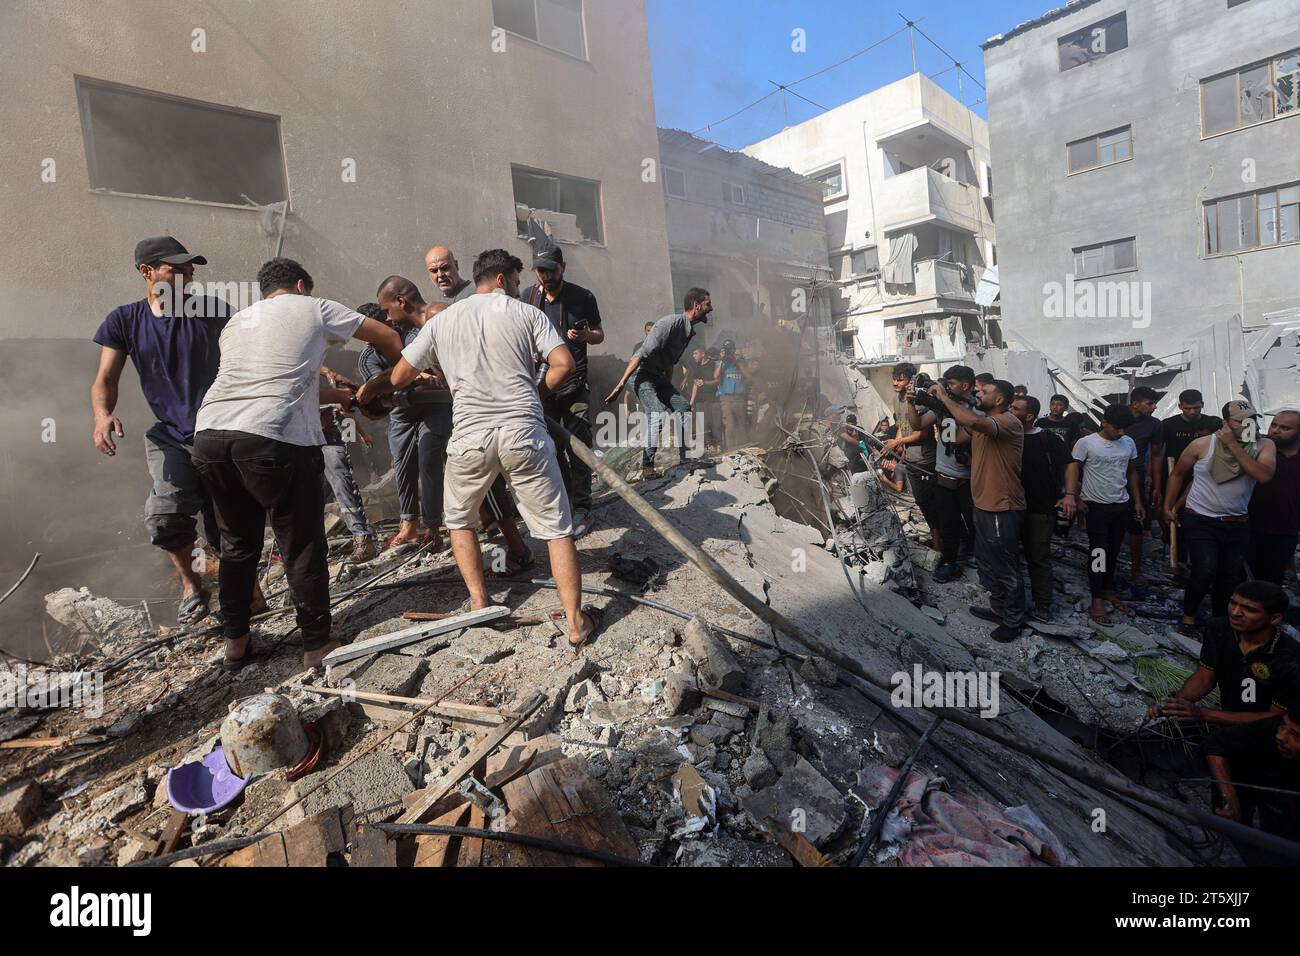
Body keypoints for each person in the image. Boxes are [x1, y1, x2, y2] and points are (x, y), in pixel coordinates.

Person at [357, 249, 602, 650]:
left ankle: (479, 602)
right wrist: (535, 396)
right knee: (557, 531)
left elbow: (401, 374)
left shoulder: (444, 319)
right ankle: (576, 624)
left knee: (460, 522)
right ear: (504, 279)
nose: (522, 288)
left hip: (470, 437)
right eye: (519, 281)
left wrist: (371, 389)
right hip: (524, 432)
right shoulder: (528, 314)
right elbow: (563, 366)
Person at [193, 257, 403, 669]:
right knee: (301, 542)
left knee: (236, 545)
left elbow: (276, 381)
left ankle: (235, 642)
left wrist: (342, 397)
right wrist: (390, 378)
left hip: (211, 434)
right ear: (302, 285)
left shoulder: (238, 322)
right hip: (273, 440)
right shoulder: (315, 307)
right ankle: (316, 644)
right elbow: (387, 335)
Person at [91, 236, 249, 625]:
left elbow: (249, 360)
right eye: (176, 268)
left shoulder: (213, 312)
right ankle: (192, 584)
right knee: (164, 517)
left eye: (190, 267)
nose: (188, 273)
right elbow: (105, 379)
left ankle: (249, 595)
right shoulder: (124, 320)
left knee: (226, 525)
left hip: (219, 428)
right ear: (147, 272)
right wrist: (101, 416)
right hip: (170, 435)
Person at [928, 377, 1027, 642]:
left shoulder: (1006, 421)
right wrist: (938, 411)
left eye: (984, 391)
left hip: (1002, 506)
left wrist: (945, 398)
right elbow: (955, 438)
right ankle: (998, 607)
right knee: (987, 561)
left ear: (999, 400)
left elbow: (972, 422)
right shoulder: (983, 425)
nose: (977, 392)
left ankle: (1014, 620)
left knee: (1005, 564)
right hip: (983, 504)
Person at [1165, 400, 1277, 633]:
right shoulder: (1203, 444)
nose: (1247, 424)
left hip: (1237, 521)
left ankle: (1219, 620)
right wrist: (1169, 506)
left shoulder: (1263, 445)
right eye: (1240, 420)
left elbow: (1263, 475)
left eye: (1251, 419)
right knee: (1204, 571)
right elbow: (1178, 474)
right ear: (1225, 423)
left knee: (1230, 575)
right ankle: (1188, 616)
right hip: (1200, 518)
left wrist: (1234, 445)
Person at [521, 242, 603, 528]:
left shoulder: (583, 296)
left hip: (574, 383)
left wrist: (584, 337)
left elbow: (599, 335)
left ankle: (583, 505)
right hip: (542, 388)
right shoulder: (527, 298)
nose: (546, 276)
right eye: (540, 271)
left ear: (563, 268)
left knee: (579, 446)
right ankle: (566, 501)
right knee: (550, 448)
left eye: (551, 270)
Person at [366, 279, 452, 552]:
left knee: (429, 456)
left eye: (387, 311)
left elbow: (404, 374)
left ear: (401, 302)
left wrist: (370, 390)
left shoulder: (430, 322)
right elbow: (397, 379)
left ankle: (434, 525)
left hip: (440, 405)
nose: (387, 318)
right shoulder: (370, 355)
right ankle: (410, 524)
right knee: (403, 462)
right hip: (403, 412)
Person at [1150, 581, 1299, 725]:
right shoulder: (1219, 629)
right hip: (1226, 719)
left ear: (1274, 618)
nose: (1235, 613)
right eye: (1233, 603)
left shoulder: (1290, 658)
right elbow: (1204, 678)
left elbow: (1276, 718)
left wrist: (1203, 714)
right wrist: (1176, 705)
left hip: (1270, 735)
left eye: (1249, 609)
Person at [604, 289, 712, 480]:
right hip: (641, 375)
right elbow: (639, 355)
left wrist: (667, 391)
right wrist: (620, 385)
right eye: (707, 305)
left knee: (683, 407)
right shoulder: (668, 324)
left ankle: (685, 456)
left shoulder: (688, 332)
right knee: (657, 415)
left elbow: (670, 362)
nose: (710, 308)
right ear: (697, 306)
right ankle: (647, 466)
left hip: (658, 376)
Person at [1201, 663, 1300, 863]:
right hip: (1247, 774)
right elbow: (1216, 743)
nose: (1281, 736)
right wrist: (1229, 795)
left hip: (1284, 794)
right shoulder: (1271, 729)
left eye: (1296, 736)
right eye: (1283, 726)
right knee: (1235, 829)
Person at [1062, 404, 1142, 625]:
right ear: (1105, 422)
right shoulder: (1086, 443)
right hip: (1095, 506)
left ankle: (1107, 588)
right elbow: (1072, 468)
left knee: (1114, 550)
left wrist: (1137, 501)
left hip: (1121, 504)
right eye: (1117, 428)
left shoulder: (1128, 442)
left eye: (1125, 428)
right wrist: (1073, 496)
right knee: (1099, 551)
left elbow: (1132, 471)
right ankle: (1096, 598)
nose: (1121, 433)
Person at [907, 365, 977, 582]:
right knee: (948, 523)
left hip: (970, 480)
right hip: (944, 476)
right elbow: (917, 423)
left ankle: (979, 558)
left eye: (951, 384)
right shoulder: (941, 408)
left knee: (975, 523)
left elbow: (959, 437)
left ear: (965, 386)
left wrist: (944, 401)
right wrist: (911, 402)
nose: (946, 387)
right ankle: (949, 561)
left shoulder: (976, 411)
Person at [1013, 395, 1066, 622]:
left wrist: (1070, 495)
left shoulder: (1048, 439)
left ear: (1029, 416)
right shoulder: (1007, 437)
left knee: (1038, 557)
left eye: (1015, 408)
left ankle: (1043, 604)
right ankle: (1011, 603)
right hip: (1011, 507)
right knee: (1010, 557)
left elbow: (1070, 464)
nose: (1009, 410)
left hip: (1041, 509)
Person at [319, 362, 378, 562]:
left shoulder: (327, 379)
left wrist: (361, 435)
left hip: (330, 438)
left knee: (342, 483)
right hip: (300, 440)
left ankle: (362, 538)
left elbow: (346, 413)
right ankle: (315, 550)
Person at [885, 363, 940, 552]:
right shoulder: (896, 399)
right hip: (911, 459)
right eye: (894, 378)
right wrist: (898, 442)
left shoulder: (918, 400)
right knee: (921, 502)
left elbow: (923, 433)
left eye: (900, 379)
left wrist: (897, 442)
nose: (895, 382)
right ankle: (936, 542)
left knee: (931, 504)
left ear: (910, 380)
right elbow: (901, 424)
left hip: (926, 460)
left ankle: (939, 546)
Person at [1248, 409, 1299, 585]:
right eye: (1274, 425)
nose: (1275, 430)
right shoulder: (1257, 449)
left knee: (1270, 582)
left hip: (1285, 531)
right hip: (1250, 526)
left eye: (1285, 428)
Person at [1125, 386, 1165, 586]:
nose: (1154, 407)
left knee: (1136, 526)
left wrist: (1156, 485)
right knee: (1104, 529)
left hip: (1137, 480)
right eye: (1150, 403)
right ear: (1135, 404)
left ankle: (1135, 570)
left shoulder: (1154, 425)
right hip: (1110, 480)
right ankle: (1101, 572)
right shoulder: (1118, 418)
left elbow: (1157, 455)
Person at [715, 339, 749, 449]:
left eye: (730, 350)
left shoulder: (741, 361)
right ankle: (730, 450)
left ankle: (744, 448)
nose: (728, 352)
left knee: (741, 424)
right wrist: (721, 360)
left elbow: (748, 376)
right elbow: (716, 376)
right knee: (729, 425)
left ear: (734, 350)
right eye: (726, 350)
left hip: (740, 397)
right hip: (726, 398)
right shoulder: (720, 362)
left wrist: (735, 360)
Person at [688, 346, 722, 451]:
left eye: (695, 353)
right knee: (701, 423)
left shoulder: (712, 364)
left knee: (715, 423)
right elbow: (695, 385)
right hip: (700, 400)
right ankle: (708, 445)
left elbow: (717, 380)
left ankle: (719, 444)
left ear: (703, 354)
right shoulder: (696, 367)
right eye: (693, 354)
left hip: (712, 399)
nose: (693, 356)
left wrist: (705, 382)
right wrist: (692, 401)